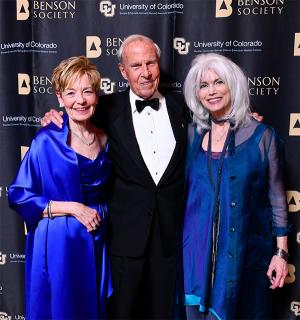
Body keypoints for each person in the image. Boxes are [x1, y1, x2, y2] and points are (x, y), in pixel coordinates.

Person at [41, 35, 189, 319]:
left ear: (159, 65)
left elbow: (218, 121)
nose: (145, 72)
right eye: (136, 66)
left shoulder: (183, 106)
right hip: (123, 240)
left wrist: (245, 120)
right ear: (123, 71)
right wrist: (51, 116)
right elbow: (76, 111)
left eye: (151, 63)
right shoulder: (105, 108)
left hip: (170, 240)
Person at [182, 53, 289, 320]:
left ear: (233, 86)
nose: (211, 91)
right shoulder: (191, 134)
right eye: (203, 86)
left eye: (219, 82)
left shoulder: (262, 136)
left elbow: (277, 198)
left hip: (242, 257)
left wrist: (280, 253)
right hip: (194, 257)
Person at [8, 56, 113, 319]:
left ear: (97, 96)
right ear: (59, 98)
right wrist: (75, 209)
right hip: (59, 241)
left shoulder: (106, 138)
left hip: (97, 236)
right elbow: (19, 195)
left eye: (87, 91)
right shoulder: (47, 140)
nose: (80, 100)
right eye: (71, 93)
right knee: (62, 309)